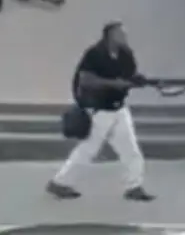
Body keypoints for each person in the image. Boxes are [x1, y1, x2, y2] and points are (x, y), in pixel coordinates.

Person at [46, 22, 155, 202]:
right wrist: (114, 84)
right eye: (120, 33)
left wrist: (139, 80)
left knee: (131, 150)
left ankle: (134, 186)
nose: (124, 36)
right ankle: (59, 183)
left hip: (118, 108)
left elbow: (129, 76)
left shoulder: (125, 54)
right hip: (99, 110)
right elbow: (86, 80)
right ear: (109, 35)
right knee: (88, 150)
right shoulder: (95, 54)